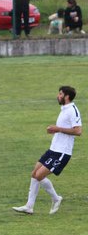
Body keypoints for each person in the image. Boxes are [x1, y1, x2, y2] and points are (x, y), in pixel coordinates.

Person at [13, 86, 82, 215]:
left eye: (60, 94)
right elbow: (64, 129)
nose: (58, 95)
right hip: (53, 149)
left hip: (62, 152)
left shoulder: (72, 110)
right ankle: (29, 206)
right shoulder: (64, 109)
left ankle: (56, 199)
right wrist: (55, 130)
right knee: (34, 174)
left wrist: (58, 129)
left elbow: (78, 131)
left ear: (66, 96)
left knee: (39, 176)